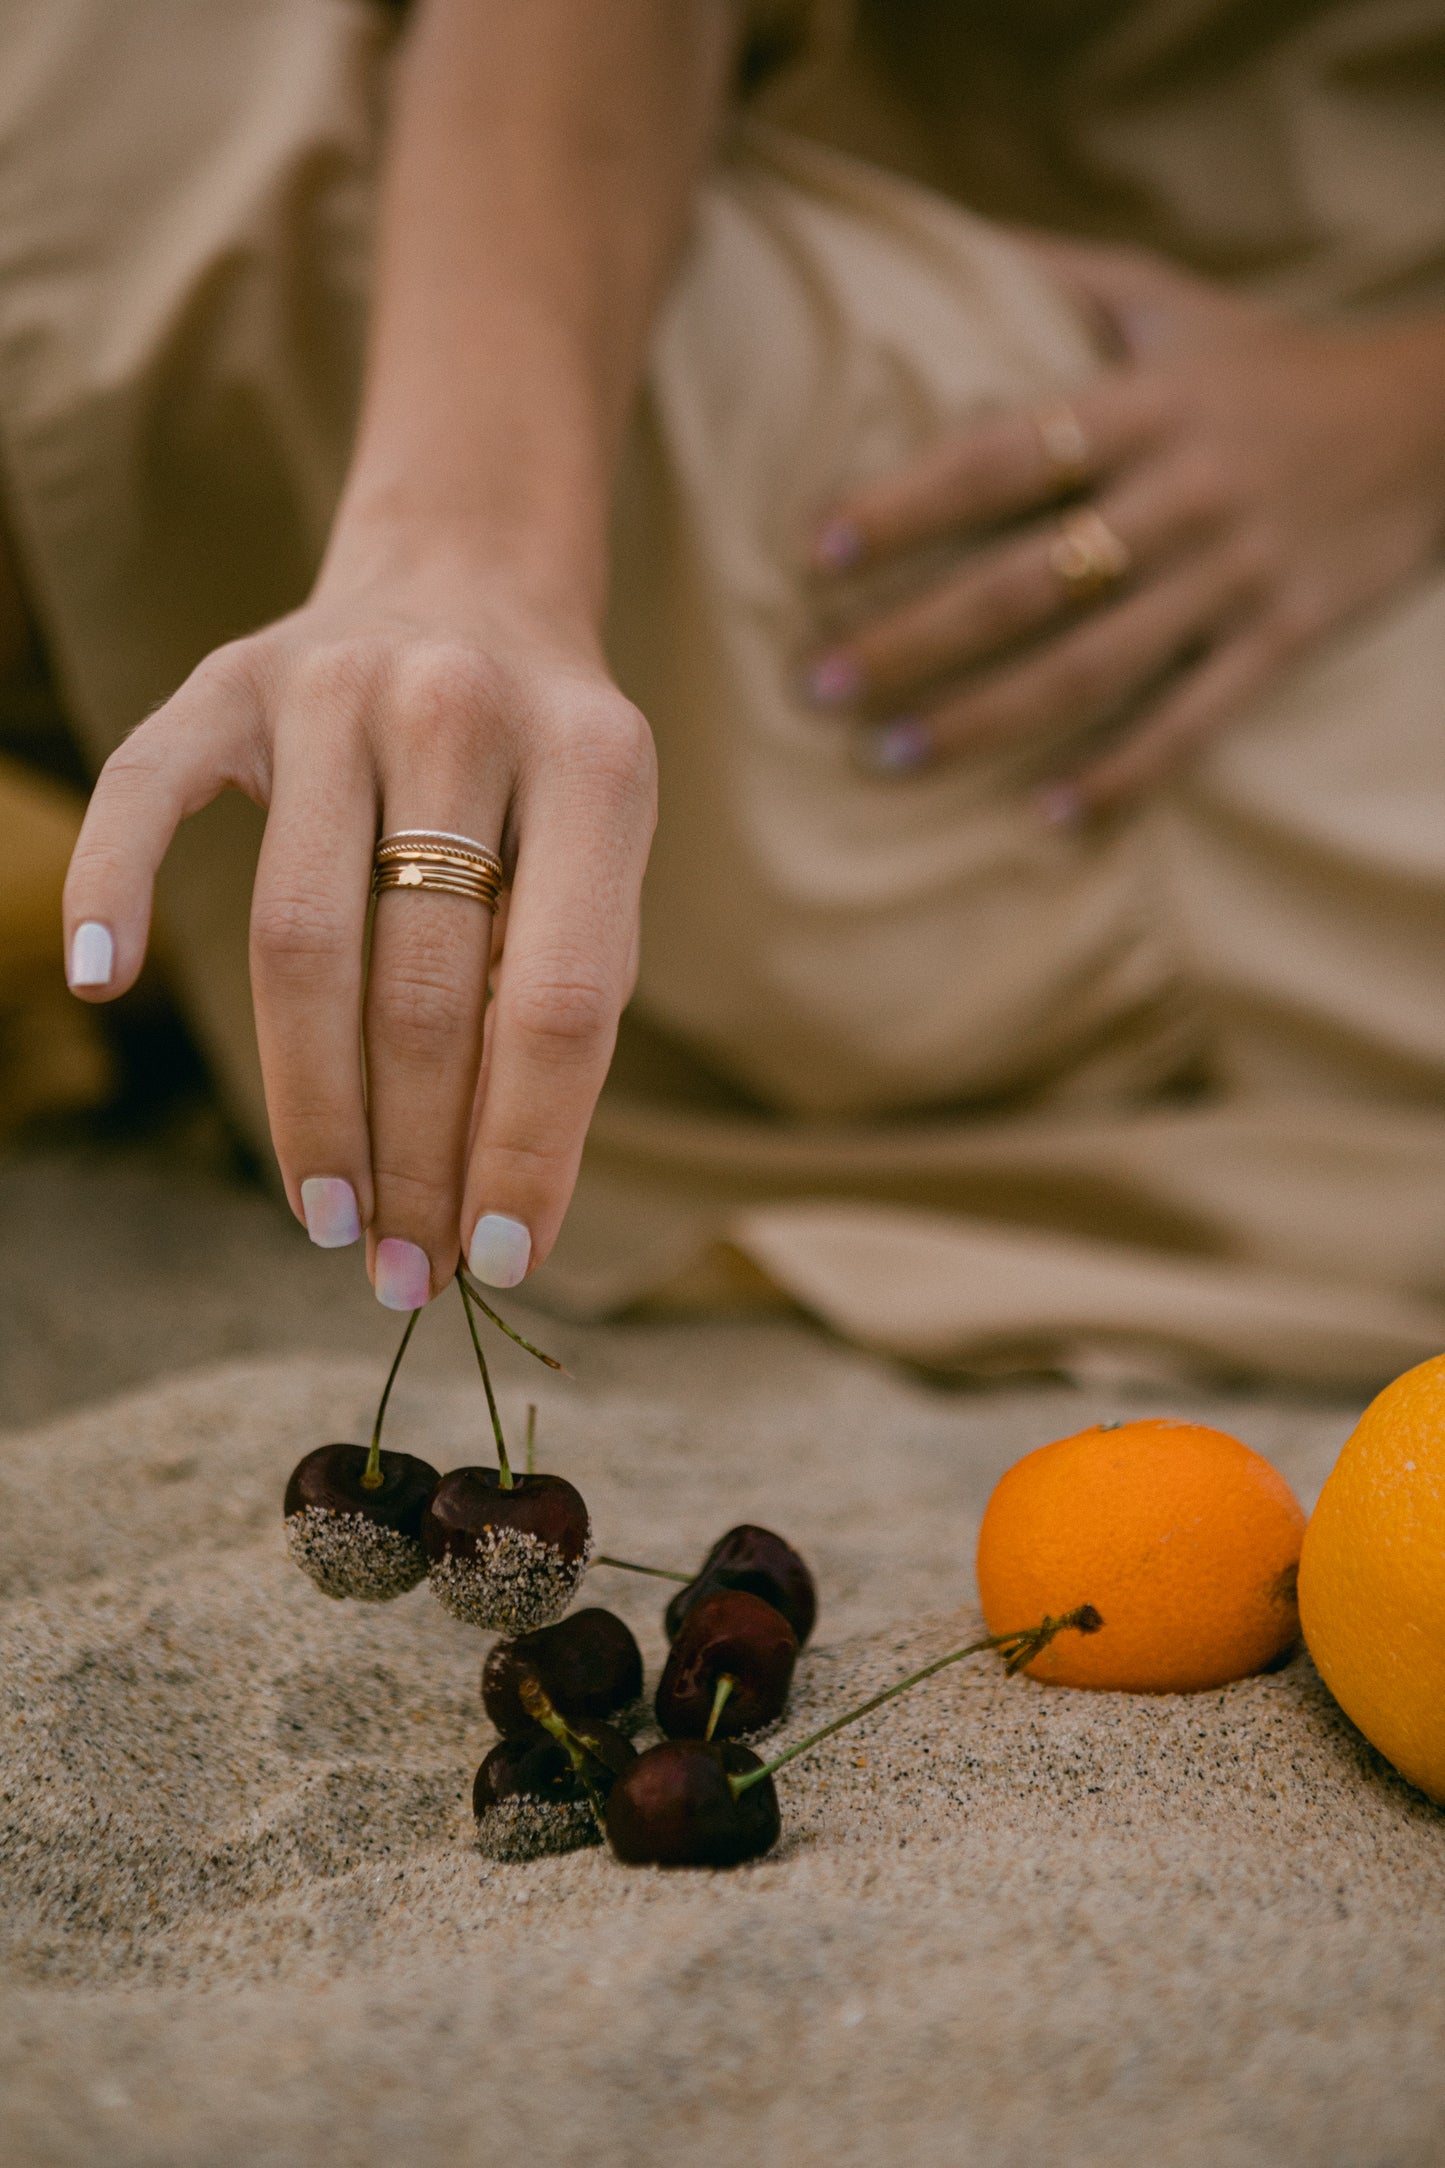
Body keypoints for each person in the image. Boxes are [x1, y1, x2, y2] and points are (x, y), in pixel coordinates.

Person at [5, 0, 1445, 1384]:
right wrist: (469, 556)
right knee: (155, 134)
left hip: (1286, 551)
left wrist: (1393, 411)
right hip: (686, 268)